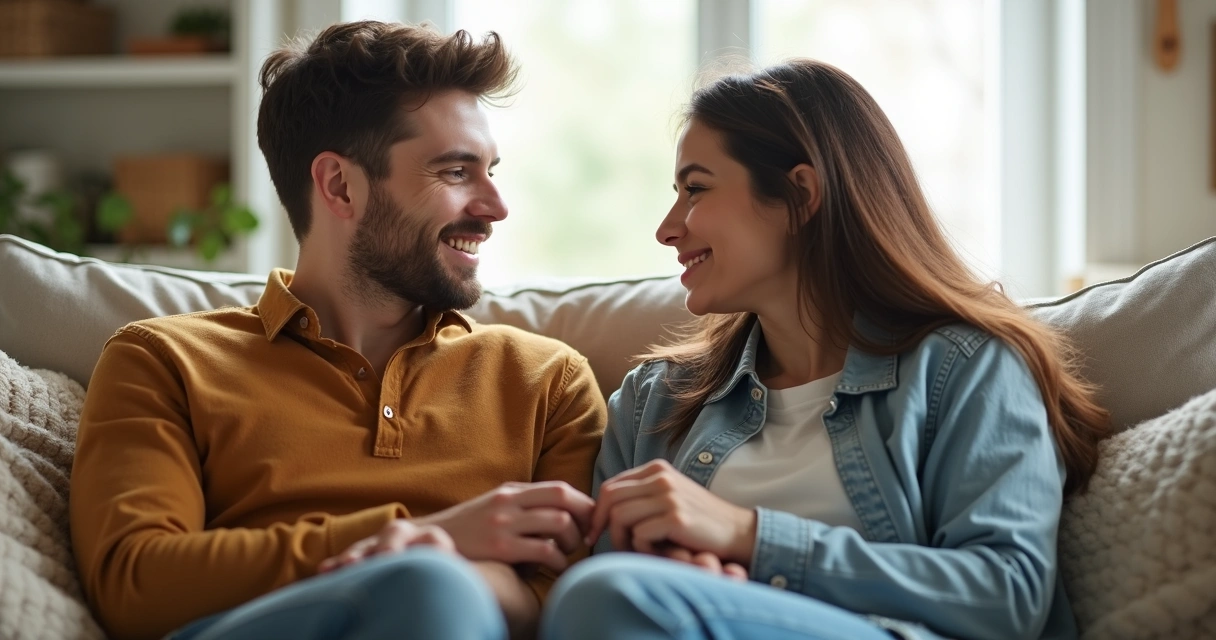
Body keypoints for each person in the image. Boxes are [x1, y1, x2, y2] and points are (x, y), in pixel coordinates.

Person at [70, 21, 606, 640]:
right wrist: (407, 543)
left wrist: (428, 562)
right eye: (457, 173)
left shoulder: (547, 381)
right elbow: (133, 584)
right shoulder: (164, 360)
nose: (495, 206)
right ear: (339, 185)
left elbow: (569, 602)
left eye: (491, 170)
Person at [540, 59, 1109, 640]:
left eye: (695, 189)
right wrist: (690, 579)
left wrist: (748, 538)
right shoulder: (653, 401)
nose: (667, 227)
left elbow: (1008, 595)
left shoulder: (966, 368)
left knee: (611, 597)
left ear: (800, 193)